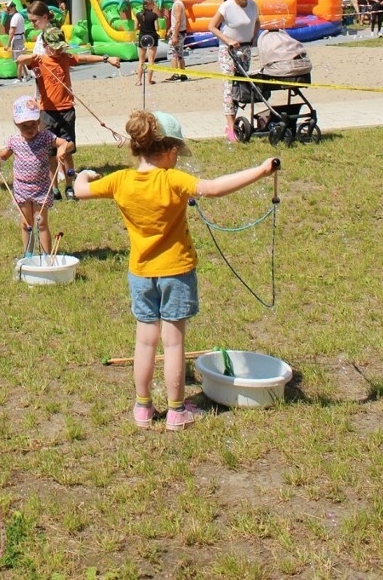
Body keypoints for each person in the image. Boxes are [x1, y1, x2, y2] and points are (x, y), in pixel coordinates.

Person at [73, 111, 278, 432]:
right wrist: (261, 170)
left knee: (144, 344)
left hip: (141, 275)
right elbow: (213, 188)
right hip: (177, 273)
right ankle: (176, 411)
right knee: (172, 345)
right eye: (177, 154)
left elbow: (80, 191)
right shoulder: (172, 180)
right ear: (168, 150)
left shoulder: (120, 181)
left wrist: (83, 174)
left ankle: (142, 409)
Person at [17, 28, 120, 199]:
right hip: (47, 113)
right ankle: (54, 189)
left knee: (67, 151)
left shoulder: (65, 58)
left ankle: (69, 186)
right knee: (51, 154)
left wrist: (106, 58)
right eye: (55, 47)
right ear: (45, 45)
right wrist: (31, 57)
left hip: (67, 111)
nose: (58, 51)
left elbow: (85, 58)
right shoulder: (39, 60)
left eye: (60, 47)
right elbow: (20, 60)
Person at [0, 96, 70, 255]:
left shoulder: (45, 137)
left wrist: (63, 148)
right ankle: (28, 255)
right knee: (26, 224)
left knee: (41, 224)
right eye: (24, 126)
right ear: (16, 124)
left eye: (33, 124)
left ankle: (47, 256)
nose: (29, 129)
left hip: (41, 188)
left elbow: (67, 142)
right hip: (22, 188)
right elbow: (3, 155)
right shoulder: (14, 141)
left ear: (39, 121)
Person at [208, 0, 260, 142]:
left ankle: (233, 122)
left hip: (245, 49)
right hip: (229, 50)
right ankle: (230, 127)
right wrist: (228, 40)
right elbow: (212, 26)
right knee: (230, 86)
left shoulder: (253, 5)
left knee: (241, 86)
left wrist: (254, 37)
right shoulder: (227, 6)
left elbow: (257, 22)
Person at [135, 0, 160, 86]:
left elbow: (135, 27)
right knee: (151, 60)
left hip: (142, 37)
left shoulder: (138, 15)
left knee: (141, 60)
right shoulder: (154, 15)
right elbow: (157, 28)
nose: (154, 5)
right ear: (148, 5)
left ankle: (139, 80)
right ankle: (149, 80)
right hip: (152, 37)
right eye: (153, 4)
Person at [165, 0, 188, 81]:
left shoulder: (177, 5)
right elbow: (176, 21)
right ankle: (183, 74)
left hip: (178, 33)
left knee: (172, 53)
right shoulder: (178, 3)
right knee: (179, 53)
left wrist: (174, 35)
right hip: (180, 31)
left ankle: (175, 74)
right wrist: (171, 29)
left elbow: (178, 21)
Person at [5, 1, 29, 81]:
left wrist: (7, 44)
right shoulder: (19, 16)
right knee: (20, 58)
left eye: (8, 9)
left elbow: (12, 31)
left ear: (13, 8)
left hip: (17, 39)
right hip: (20, 38)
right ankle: (26, 74)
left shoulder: (15, 17)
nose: (7, 11)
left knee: (18, 60)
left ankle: (19, 78)